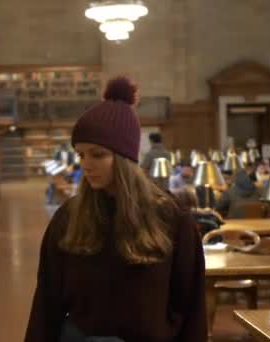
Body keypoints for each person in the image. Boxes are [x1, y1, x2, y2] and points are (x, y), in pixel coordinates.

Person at [25, 77, 207, 342]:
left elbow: (190, 307)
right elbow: (47, 303)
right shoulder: (69, 218)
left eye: (97, 155)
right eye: (81, 155)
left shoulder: (171, 219)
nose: (86, 165)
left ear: (125, 159)